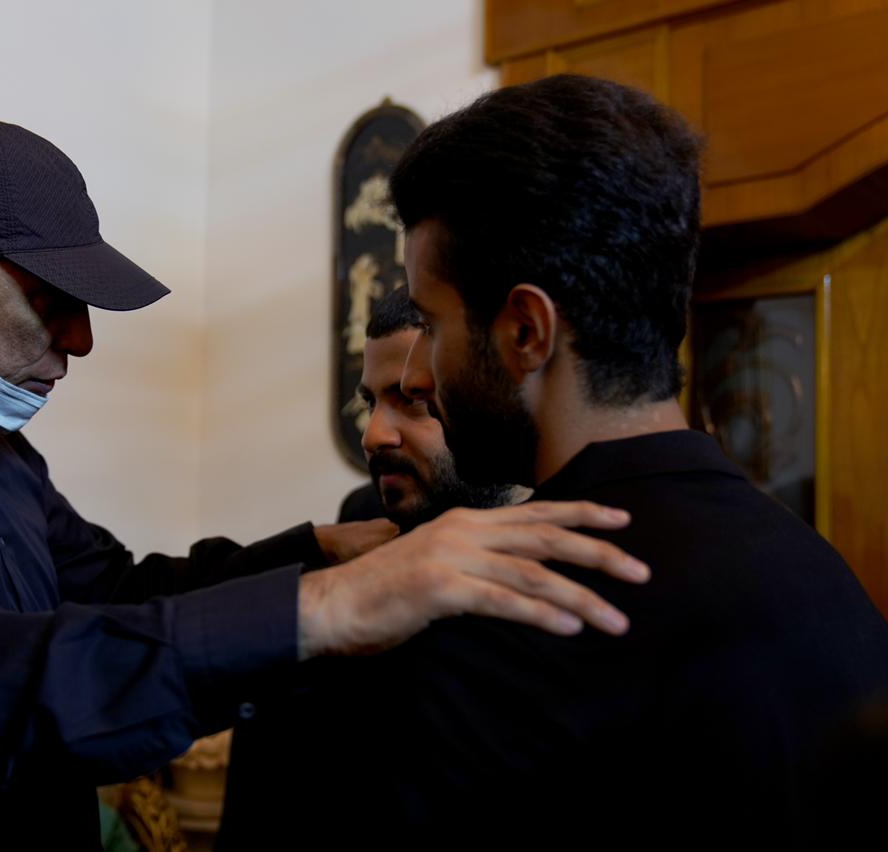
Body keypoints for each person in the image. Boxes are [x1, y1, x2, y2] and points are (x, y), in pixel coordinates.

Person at [0, 114, 648, 850]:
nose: (81, 342)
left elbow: (113, 595)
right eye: (52, 305)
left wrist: (322, 554)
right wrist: (324, 610)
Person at [219, 75, 888, 850]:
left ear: (526, 332)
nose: (418, 377)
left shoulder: (509, 621)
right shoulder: (824, 579)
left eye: (432, 325)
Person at [338, 286, 522, 528]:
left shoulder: (567, 529)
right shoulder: (362, 518)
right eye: (370, 403)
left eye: (413, 398)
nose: (371, 437)